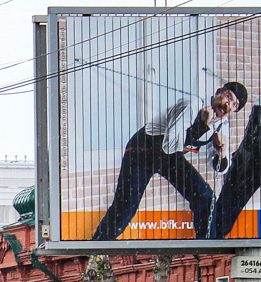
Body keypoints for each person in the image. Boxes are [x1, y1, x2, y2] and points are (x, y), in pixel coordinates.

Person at [90, 81, 247, 242]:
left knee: (206, 198)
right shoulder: (192, 105)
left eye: (234, 105)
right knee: (124, 210)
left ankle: (207, 249)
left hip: (168, 157)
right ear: (219, 92)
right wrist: (201, 125)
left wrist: (221, 153)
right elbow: (169, 145)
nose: (228, 105)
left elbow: (219, 168)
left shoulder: (222, 124)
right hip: (142, 151)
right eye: (228, 97)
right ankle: (95, 248)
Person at [211, 101, 261, 239]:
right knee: (227, 208)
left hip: (250, 162)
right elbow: (250, 143)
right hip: (250, 163)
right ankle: (213, 238)